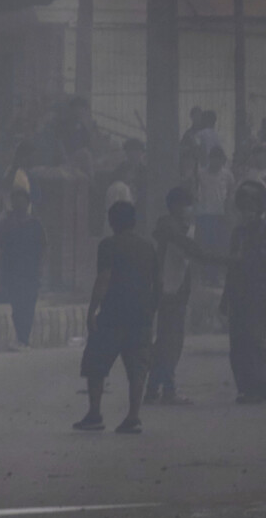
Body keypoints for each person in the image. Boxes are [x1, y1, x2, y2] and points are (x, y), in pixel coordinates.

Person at [78, 199, 158, 433]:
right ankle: (133, 417)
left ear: (112, 222)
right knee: (137, 369)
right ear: (134, 221)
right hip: (140, 315)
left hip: (113, 315)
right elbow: (157, 283)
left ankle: (95, 414)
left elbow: (104, 278)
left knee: (96, 364)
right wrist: (151, 311)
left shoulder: (108, 245)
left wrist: (92, 310)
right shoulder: (148, 247)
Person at [221, 177, 266, 403]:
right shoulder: (237, 234)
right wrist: (225, 297)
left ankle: (260, 386)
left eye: (252, 207)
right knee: (238, 343)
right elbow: (231, 267)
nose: (248, 212)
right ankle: (244, 387)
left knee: (256, 342)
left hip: (258, 293)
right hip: (237, 294)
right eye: (244, 207)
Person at [147, 185, 198, 403]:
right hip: (168, 290)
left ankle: (156, 386)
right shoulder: (168, 225)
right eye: (186, 205)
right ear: (175, 206)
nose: (189, 209)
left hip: (178, 290)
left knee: (170, 341)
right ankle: (165, 387)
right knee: (170, 341)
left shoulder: (184, 226)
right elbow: (187, 247)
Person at [0, 189, 46, 346]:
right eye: (16, 200)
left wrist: (41, 268)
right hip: (12, 270)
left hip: (30, 271)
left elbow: (43, 248)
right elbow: (0, 246)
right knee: (16, 305)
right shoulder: (7, 224)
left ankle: (24, 337)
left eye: (22, 200)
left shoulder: (35, 224)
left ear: (27, 202)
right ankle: (20, 336)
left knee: (28, 304)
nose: (19, 203)